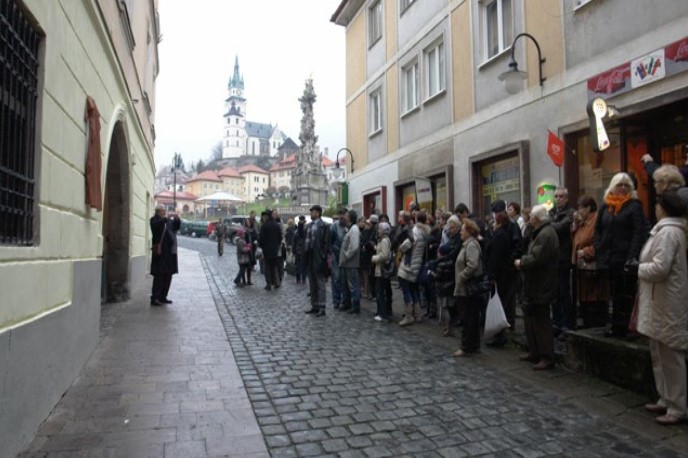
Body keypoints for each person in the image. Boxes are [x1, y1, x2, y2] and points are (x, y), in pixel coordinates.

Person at [637, 190, 688, 426]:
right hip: (658, 301)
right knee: (659, 352)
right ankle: (665, 398)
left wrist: (638, 268)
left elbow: (660, 267)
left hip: (667, 301)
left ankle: (677, 406)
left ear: (663, 208)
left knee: (670, 354)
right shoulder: (663, 230)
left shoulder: (668, 232)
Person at [594, 172, 646, 338]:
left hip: (625, 258)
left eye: (626, 185)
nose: (623, 188)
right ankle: (616, 327)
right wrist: (598, 248)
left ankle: (627, 328)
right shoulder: (606, 207)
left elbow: (638, 233)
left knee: (626, 294)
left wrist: (632, 256)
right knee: (615, 294)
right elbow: (598, 230)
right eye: (619, 185)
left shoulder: (634, 206)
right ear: (612, 187)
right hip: (609, 258)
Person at [515, 204, 559, 370]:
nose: (529, 219)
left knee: (541, 321)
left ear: (537, 219)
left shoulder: (546, 234)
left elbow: (536, 258)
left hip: (542, 284)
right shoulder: (540, 232)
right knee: (532, 318)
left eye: (532, 217)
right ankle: (534, 351)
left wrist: (522, 262)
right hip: (535, 284)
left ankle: (546, 357)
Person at [571, 196, 609, 328]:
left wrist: (586, 251)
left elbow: (602, 242)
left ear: (588, 208)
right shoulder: (583, 222)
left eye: (580, 208)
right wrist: (575, 225)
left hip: (593, 270)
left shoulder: (596, 221)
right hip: (583, 272)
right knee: (585, 305)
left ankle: (595, 327)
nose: (578, 211)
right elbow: (575, 240)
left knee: (595, 305)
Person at [484, 211, 520, 346]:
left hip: (500, 277)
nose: (493, 224)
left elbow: (495, 258)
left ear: (498, 222)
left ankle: (500, 337)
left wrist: (491, 275)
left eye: (495, 221)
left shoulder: (500, 236)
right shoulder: (502, 234)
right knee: (502, 304)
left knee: (500, 305)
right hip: (502, 276)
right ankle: (499, 335)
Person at [452, 219, 484, 357]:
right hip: (464, 288)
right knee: (470, 318)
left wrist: (462, 277)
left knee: (467, 318)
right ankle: (472, 346)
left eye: (463, 229)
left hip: (467, 288)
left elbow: (472, 264)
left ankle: (466, 347)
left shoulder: (471, 245)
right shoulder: (467, 244)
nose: (461, 231)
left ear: (469, 231)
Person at [549, 187, 575, 335]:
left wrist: (548, 225)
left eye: (561, 196)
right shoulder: (552, 212)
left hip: (564, 257)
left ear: (566, 198)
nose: (558, 199)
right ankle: (556, 322)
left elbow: (559, 227)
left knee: (564, 292)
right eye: (556, 196)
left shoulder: (570, 212)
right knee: (555, 293)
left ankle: (566, 323)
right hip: (553, 258)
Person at [397, 212, 430, 327]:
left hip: (409, 265)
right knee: (413, 289)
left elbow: (405, 246)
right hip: (417, 264)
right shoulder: (425, 232)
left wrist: (401, 247)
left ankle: (408, 316)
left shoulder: (415, 231)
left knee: (406, 290)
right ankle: (418, 314)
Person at [149, 205, 181, 306]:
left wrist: (177, 219)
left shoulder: (167, 221)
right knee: (159, 276)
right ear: (157, 211)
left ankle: (163, 296)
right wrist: (166, 218)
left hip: (170, 252)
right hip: (161, 252)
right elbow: (156, 226)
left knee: (168, 275)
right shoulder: (154, 220)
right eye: (162, 211)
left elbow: (176, 227)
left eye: (164, 211)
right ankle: (155, 298)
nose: (164, 212)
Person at [304, 205, 331, 317]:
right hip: (309, 256)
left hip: (318, 257)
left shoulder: (324, 226)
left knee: (320, 283)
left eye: (313, 212)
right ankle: (314, 305)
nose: (311, 214)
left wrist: (323, 255)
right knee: (312, 282)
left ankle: (322, 306)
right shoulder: (309, 225)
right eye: (311, 212)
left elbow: (326, 243)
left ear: (318, 213)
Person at [339, 209, 361, 314]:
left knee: (353, 285)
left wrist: (346, 256)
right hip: (347, 263)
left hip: (351, 263)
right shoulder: (350, 229)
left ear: (350, 217)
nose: (345, 217)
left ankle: (355, 306)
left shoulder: (354, 229)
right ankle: (349, 304)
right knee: (348, 285)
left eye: (347, 215)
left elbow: (354, 246)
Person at [372, 221, 393, 322]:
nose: (378, 230)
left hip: (381, 270)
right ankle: (381, 312)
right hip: (380, 269)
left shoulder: (384, 240)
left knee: (380, 292)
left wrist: (374, 258)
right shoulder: (382, 240)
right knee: (379, 292)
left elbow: (384, 255)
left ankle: (383, 314)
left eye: (380, 229)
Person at [258, 210, 283, 291]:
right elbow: (280, 237)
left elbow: (261, 239)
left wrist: (261, 246)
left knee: (268, 267)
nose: (263, 218)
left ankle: (269, 284)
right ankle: (276, 282)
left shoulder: (264, 226)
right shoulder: (276, 225)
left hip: (266, 250)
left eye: (264, 216)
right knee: (274, 267)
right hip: (275, 249)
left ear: (266, 217)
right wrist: (276, 245)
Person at [330, 208, 348, 309]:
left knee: (344, 279)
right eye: (340, 215)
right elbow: (330, 242)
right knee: (336, 278)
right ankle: (336, 300)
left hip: (346, 256)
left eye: (343, 215)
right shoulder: (334, 227)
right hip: (336, 255)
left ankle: (344, 300)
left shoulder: (348, 226)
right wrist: (332, 253)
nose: (342, 218)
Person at [292, 215, 307, 284]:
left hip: (298, 250)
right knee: (303, 266)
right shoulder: (306, 230)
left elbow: (294, 242)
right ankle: (303, 279)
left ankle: (298, 279)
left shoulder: (296, 232)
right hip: (303, 250)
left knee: (298, 265)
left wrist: (293, 251)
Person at [243, 217, 259, 285]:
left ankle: (249, 280)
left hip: (252, 250)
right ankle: (243, 280)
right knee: (244, 266)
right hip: (245, 249)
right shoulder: (244, 230)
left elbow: (256, 237)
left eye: (249, 222)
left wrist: (255, 241)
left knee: (249, 266)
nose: (248, 223)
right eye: (247, 222)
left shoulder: (253, 230)